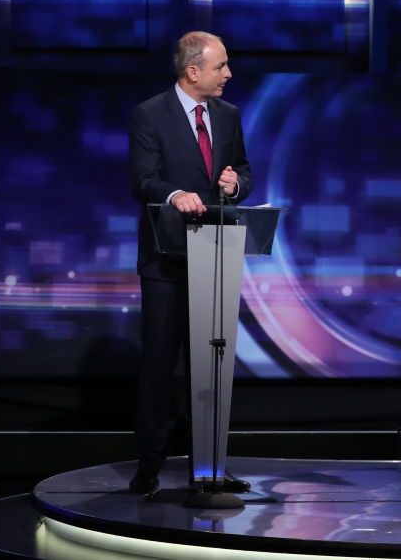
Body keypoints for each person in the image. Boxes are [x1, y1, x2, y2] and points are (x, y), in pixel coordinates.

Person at [127, 31, 252, 494]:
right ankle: (149, 466)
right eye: (221, 66)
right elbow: (143, 180)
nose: (229, 74)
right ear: (193, 71)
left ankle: (212, 465)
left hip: (215, 259)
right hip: (165, 260)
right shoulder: (149, 114)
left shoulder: (230, 115)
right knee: (160, 366)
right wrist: (176, 194)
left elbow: (244, 171)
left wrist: (234, 184)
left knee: (213, 366)